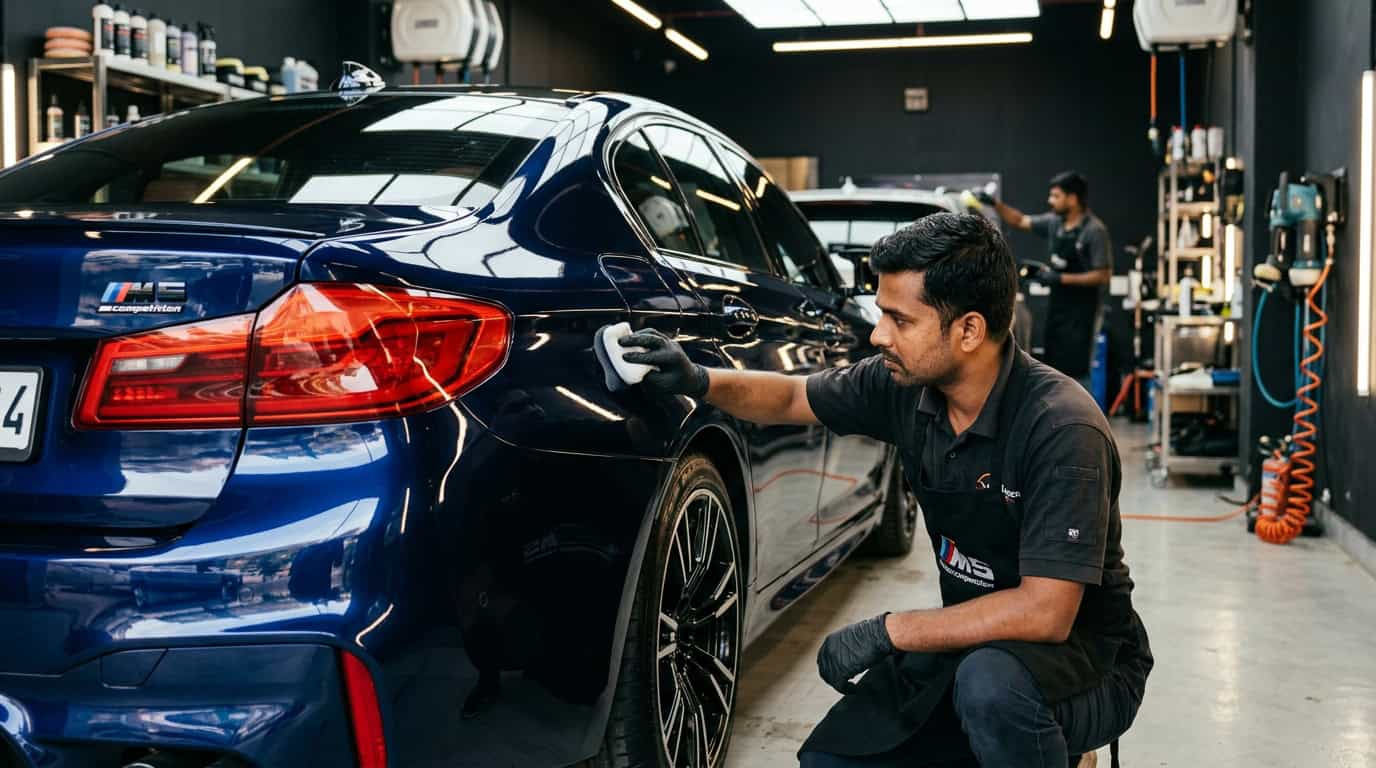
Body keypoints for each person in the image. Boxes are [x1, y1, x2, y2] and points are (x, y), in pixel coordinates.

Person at [616, 213, 1151, 768]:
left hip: (1084, 658)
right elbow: (790, 398)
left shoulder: (1061, 429)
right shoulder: (904, 385)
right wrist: (698, 381)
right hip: (970, 641)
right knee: (831, 760)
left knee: (993, 691)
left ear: (968, 330)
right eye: (880, 315)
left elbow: (1046, 613)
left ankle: (1067, 748)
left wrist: (891, 630)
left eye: (899, 319)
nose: (878, 335)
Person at [984, 171, 1112, 385]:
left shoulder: (1094, 231)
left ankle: (1084, 416)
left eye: (1056, 196)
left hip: (1083, 312)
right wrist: (994, 204)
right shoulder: (1054, 223)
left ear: (1072, 199)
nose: (1050, 201)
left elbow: (1103, 275)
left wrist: (1059, 278)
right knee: (1055, 366)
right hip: (1059, 307)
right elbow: (1020, 220)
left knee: (1079, 371)